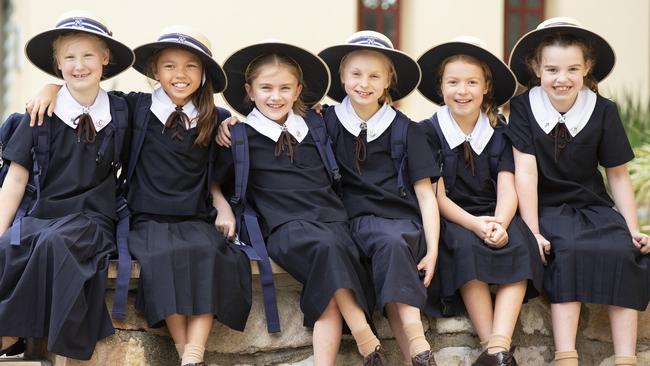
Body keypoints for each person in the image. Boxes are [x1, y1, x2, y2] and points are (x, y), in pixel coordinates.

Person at [27, 26, 252, 366]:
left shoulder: (213, 118)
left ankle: (194, 354)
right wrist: (52, 87)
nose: (180, 75)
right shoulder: (134, 108)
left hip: (194, 217)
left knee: (214, 255)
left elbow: (216, 177)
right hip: (145, 216)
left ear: (204, 73)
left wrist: (222, 206)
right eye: (170, 66)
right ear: (154, 71)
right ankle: (186, 353)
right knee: (161, 260)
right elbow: (87, 94)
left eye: (191, 66)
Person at [215, 40, 380, 366]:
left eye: (284, 88)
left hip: (332, 221)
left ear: (298, 90)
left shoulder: (318, 126)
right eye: (265, 88)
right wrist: (221, 206)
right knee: (327, 249)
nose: (275, 96)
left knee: (330, 279)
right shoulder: (240, 137)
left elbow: (358, 118)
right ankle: (366, 338)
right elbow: (213, 181)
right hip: (284, 228)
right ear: (249, 90)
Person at [507, 17, 650, 366]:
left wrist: (631, 227)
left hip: (592, 205)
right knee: (566, 251)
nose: (562, 78)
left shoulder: (603, 111)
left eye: (573, 68)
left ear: (587, 67)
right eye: (552, 69)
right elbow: (524, 172)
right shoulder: (524, 108)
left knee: (621, 250)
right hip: (545, 207)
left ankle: (626, 358)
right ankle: (566, 356)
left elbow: (616, 174)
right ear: (536, 68)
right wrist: (533, 230)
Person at [0, 11, 133, 360]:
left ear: (105, 58)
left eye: (88, 55)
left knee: (57, 244)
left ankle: (9, 333)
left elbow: (176, 111)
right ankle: (15, 340)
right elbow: (16, 178)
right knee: (10, 249)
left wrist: (225, 122)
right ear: (57, 63)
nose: (79, 65)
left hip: (93, 219)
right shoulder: (39, 113)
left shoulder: (123, 112)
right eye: (69, 57)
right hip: (44, 215)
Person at [416, 36, 543, 366]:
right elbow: (436, 194)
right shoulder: (428, 132)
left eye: (472, 82)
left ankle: (497, 348)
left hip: (496, 212)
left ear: (486, 86)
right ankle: (496, 350)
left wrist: (500, 223)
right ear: (440, 87)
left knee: (520, 243)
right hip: (455, 217)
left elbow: (507, 184)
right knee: (465, 248)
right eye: (453, 82)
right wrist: (475, 225)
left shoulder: (499, 131)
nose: (462, 91)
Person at [318, 30, 440, 366]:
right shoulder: (323, 123)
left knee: (393, 241)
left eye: (374, 76)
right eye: (356, 74)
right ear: (341, 77)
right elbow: (274, 119)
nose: (364, 83)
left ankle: (417, 349)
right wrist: (227, 122)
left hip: (399, 225)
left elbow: (426, 195)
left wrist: (432, 250)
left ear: (388, 81)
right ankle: (419, 348)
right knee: (387, 243)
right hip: (349, 222)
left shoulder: (406, 130)